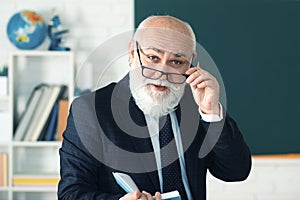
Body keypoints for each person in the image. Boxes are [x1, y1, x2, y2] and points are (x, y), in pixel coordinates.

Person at [58, 15, 251, 200]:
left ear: (190, 63)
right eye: (153, 58)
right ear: (133, 54)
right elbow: (70, 194)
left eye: (176, 62)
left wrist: (211, 112)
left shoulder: (196, 104)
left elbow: (235, 172)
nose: (162, 73)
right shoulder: (91, 110)